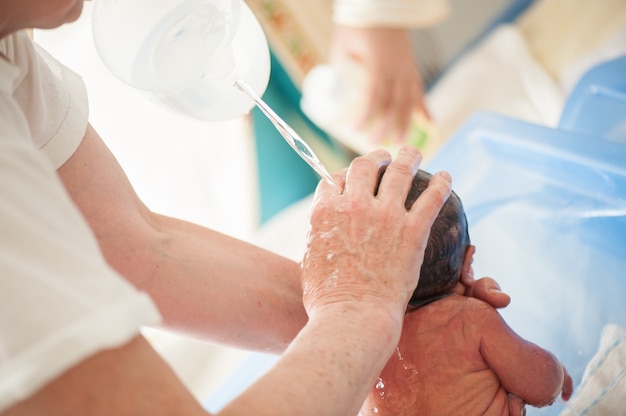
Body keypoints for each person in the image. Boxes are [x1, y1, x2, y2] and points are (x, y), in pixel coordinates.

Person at [1, 1, 513, 415]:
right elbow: (551, 381)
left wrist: (407, 316)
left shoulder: (10, 39)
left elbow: (130, 246)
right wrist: (361, 312)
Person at [360, 170, 574, 416]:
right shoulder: (469, 320)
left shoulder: (364, 343)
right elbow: (540, 383)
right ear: (468, 262)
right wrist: (557, 373)